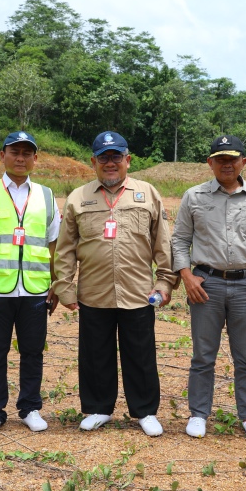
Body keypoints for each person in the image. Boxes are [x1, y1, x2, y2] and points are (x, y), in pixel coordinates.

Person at [53, 131, 178, 437]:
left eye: (116, 157)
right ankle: (98, 408)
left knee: (141, 354)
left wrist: (164, 282)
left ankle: (145, 411)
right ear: (93, 162)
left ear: (128, 160)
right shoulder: (78, 198)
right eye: (104, 158)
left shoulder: (147, 193)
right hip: (94, 292)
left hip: (138, 292)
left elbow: (163, 242)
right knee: (96, 354)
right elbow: (66, 247)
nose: (110, 163)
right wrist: (65, 287)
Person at [171, 135, 246, 442]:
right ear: (210, 163)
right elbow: (180, 239)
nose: (226, 164)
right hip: (205, 285)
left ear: (243, 162)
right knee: (203, 356)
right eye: (219, 159)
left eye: (232, 159)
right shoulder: (194, 196)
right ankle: (198, 414)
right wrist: (186, 275)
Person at [0, 131, 60, 436]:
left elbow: (53, 243)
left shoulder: (46, 195)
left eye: (26, 153)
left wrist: (56, 284)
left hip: (34, 289)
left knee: (33, 351)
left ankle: (30, 407)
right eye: (14, 152)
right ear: (2, 155)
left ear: (35, 158)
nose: (20, 158)